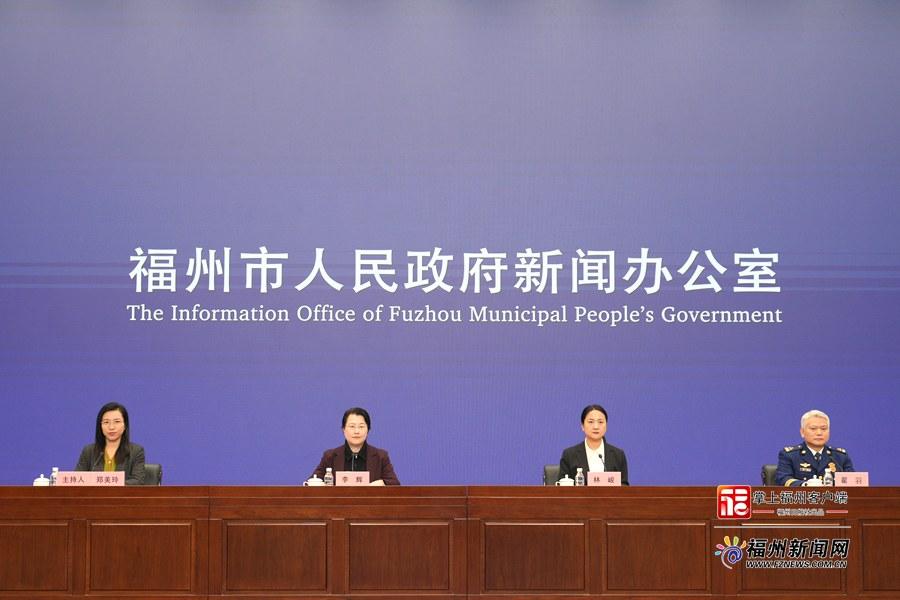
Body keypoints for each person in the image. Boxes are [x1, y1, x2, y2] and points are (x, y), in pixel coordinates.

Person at [312, 407, 400, 486]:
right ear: (343, 429)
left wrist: (382, 483)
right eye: (352, 426)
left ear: (368, 430)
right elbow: (312, 482)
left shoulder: (380, 457)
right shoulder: (330, 456)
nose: (356, 431)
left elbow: (395, 484)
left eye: (361, 427)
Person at [776, 409, 854, 487]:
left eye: (823, 429)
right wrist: (805, 485)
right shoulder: (790, 455)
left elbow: (852, 484)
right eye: (813, 428)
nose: (819, 433)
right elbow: (783, 479)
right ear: (802, 432)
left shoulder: (840, 456)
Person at [75, 402, 146, 485]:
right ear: (100, 426)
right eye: (106, 422)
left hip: (121, 494)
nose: (111, 427)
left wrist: (110, 485)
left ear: (125, 425)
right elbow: (77, 480)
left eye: (117, 421)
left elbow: (138, 481)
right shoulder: (88, 451)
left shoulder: (136, 451)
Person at [558, 404, 629, 485]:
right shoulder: (569, 455)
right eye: (591, 422)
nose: (596, 427)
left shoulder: (618, 455)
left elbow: (624, 485)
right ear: (582, 426)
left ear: (606, 426)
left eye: (600, 422)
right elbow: (562, 487)